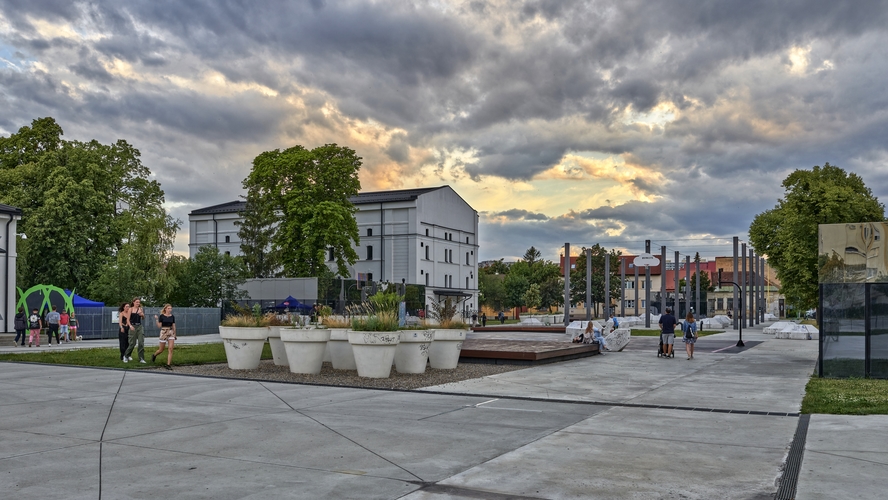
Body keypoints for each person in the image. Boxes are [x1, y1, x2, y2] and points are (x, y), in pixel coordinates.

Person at [152, 304, 176, 370]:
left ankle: (168, 364)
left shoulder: (172, 316)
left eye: (171, 308)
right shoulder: (162, 316)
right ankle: (154, 355)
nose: (170, 310)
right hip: (164, 332)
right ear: (165, 309)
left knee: (170, 349)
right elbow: (159, 326)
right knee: (161, 349)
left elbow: (173, 325)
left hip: (170, 332)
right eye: (168, 308)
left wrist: (175, 334)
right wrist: (156, 319)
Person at [123, 297, 146, 363]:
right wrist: (130, 326)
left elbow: (143, 318)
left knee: (141, 342)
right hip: (132, 326)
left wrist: (142, 315)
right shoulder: (130, 309)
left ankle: (141, 358)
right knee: (132, 343)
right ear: (133, 302)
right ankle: (126, 356)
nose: (138, 303)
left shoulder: (140, 309)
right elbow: (127, 319)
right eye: (137, 302)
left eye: (139, 302)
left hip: (139, 326)